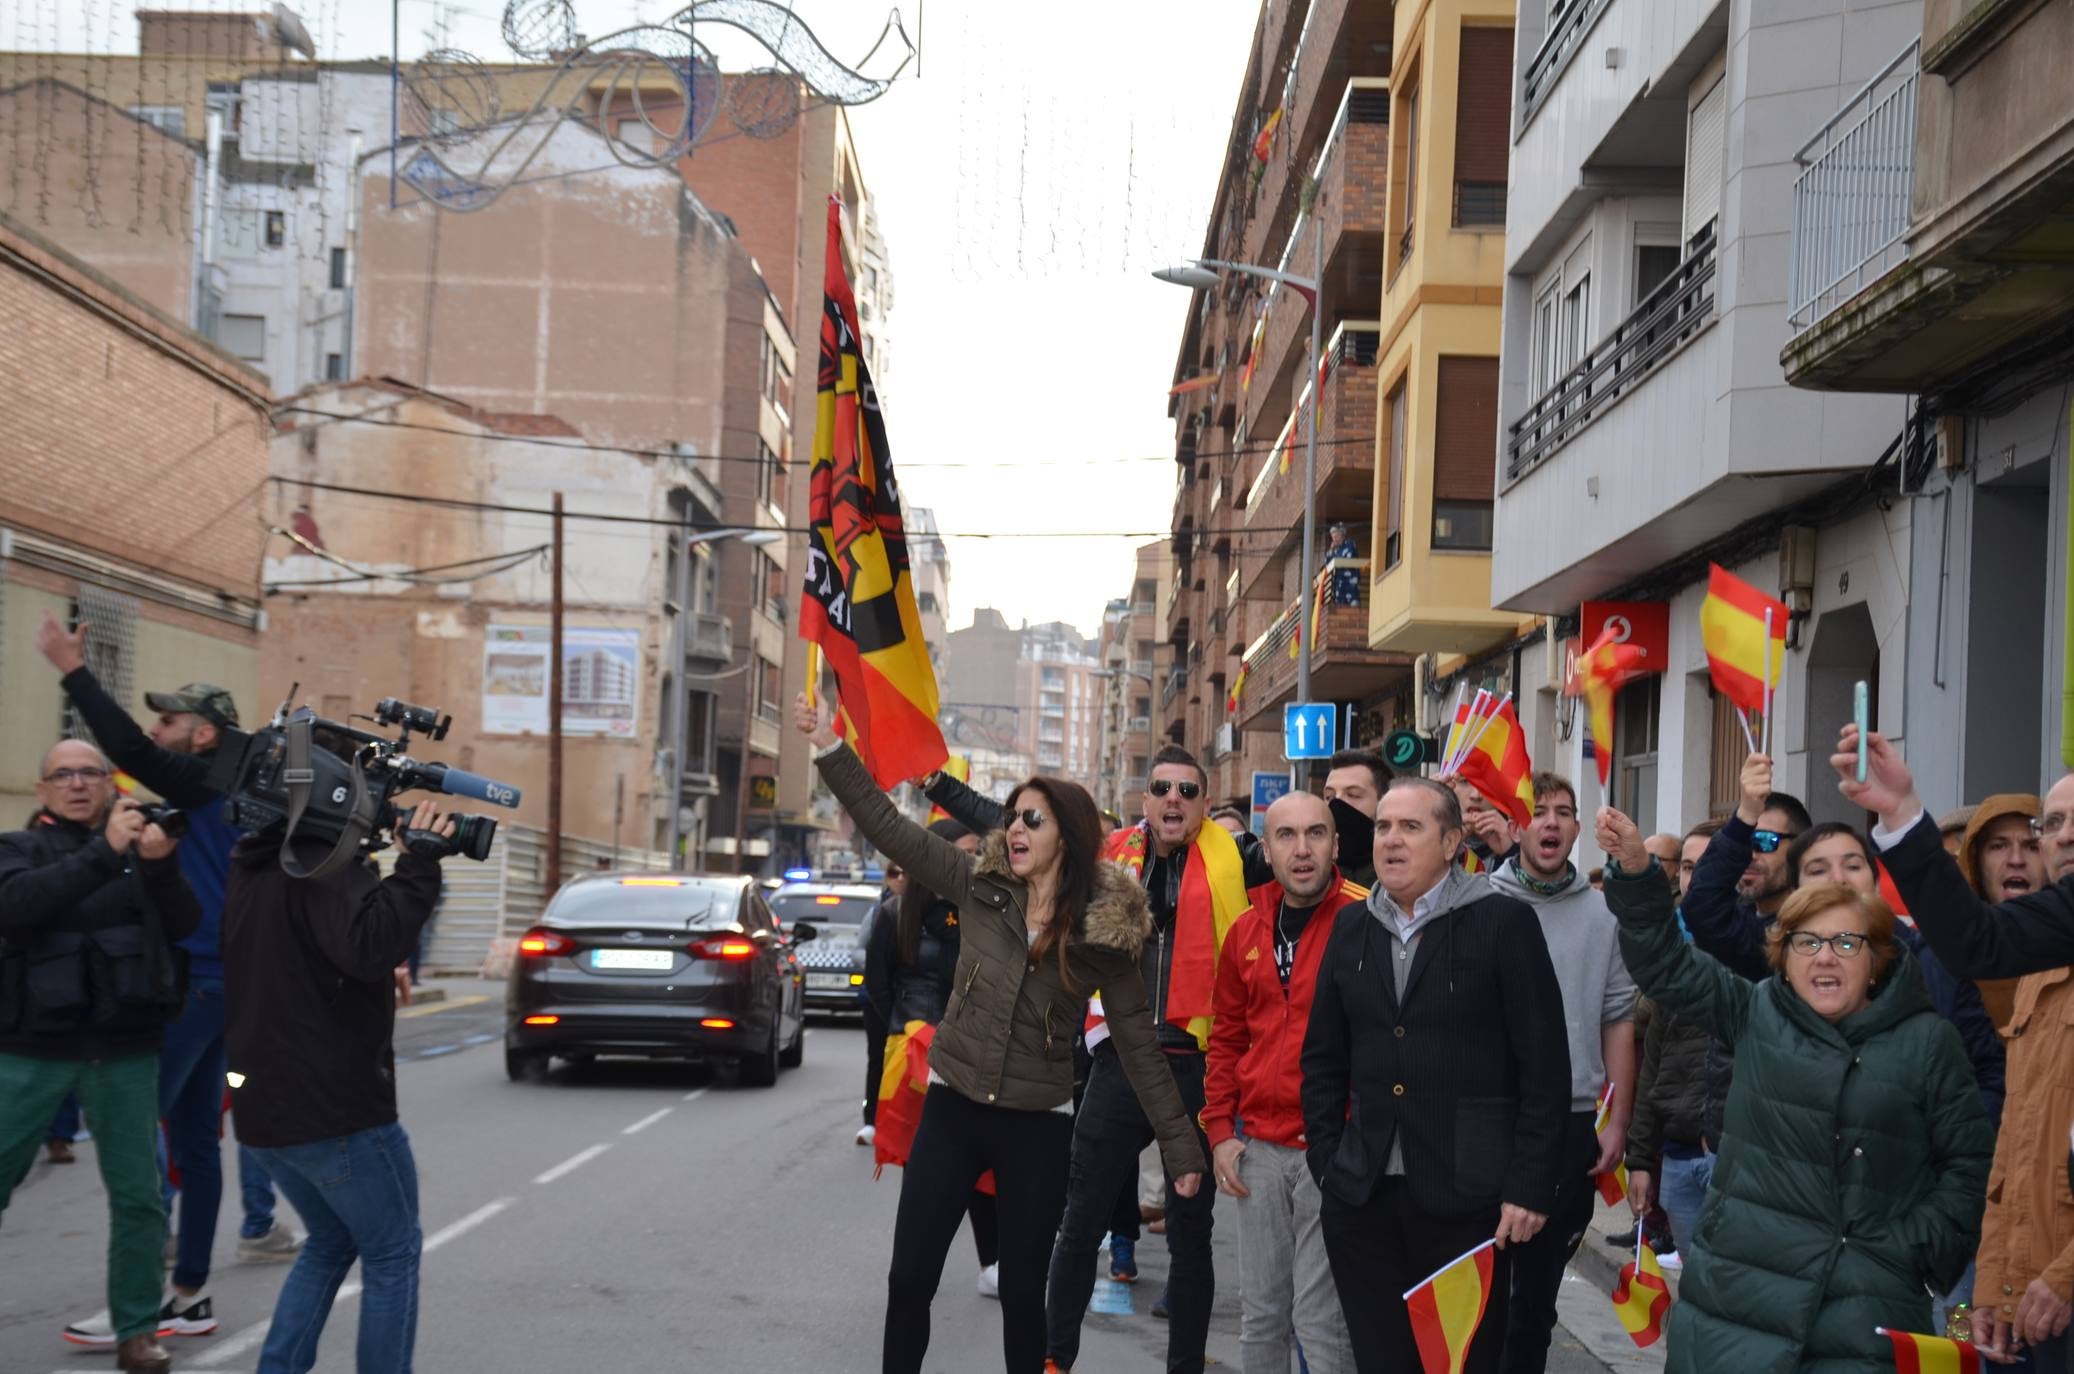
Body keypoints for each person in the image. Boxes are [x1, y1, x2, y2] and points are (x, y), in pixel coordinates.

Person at [796, 694, 1204, 1374]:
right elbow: (888, 827)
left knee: (1023, 1294)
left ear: (1066, 837)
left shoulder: (1105, 934)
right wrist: (829, 748)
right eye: (1012, 817)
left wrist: (1182, 1148)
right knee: (909, 1280)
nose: (1014, 830)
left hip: (1037, 1127)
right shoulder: (977, 885)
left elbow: (1138, 1043)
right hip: (952, 1111)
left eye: (1031, 821)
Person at [1596, 805, 1992, 1373]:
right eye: (1806, 943)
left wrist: (1914, 1252)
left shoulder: (1927, 1041)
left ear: (1877, 960)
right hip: (1736, 1302)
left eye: (1846, 943)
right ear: (1784, 955)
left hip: (1865, 1314)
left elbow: (1969, 1163)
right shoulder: (1756, 1010)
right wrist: (1636, 875)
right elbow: (1664, 964)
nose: (1825, 956)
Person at [39, 610, 303, 1345]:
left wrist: (71, 668)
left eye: (171, 723)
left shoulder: (200, 783)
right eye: (160, 725)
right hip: (230, 989)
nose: (157, 737)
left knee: (132, 1134)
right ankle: (188, 1294)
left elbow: (121, 744)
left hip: (192, 987)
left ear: (205, 734)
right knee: (194, 1140)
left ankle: (142, 1299)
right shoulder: (241, 797)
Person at [1301, 777, 1571, 1374]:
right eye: (1383, 827)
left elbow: (1545, 1067)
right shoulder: (1352, 928)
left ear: (1451, 843)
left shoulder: (1503, 923)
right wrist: (1328, 1160)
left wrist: (1528, 1184)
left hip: (1467, 1200)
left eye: (1411, 827)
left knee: (1461, 1364)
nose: (1391, 841)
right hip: (1364, 1197)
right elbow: (1323, 1059)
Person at [1833, 733, 2074, 1364]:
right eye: (2002, 846)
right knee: (1962, 1331)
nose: (2019, 858)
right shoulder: (2001, 968)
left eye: (2031, 840)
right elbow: (2018, 1150)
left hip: (2046, 1273)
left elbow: (1992, 1104)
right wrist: (1998, 1279)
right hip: (1996, 1258)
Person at [1048, 743, 1269, 1374]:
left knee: (1190, 1235)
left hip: (1196, 1069)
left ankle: (1184, 1368)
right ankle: (1053, 1358)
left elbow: (1309, 856)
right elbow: (1033, 846)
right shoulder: (1108, 861)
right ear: (1144, 801)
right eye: (1162, 789)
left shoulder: (1238, 861)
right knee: (1080, 1221)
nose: (1174, 799)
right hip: (1121, 1062)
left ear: (1203, 806)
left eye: (1187, 791)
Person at [223, 788, 456, 1374]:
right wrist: (420, 863)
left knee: (329, 1243)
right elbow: (370, 947)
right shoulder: (324, 867)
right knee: (394, 1253)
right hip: (335, 1111)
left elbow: (331, 954)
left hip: (267, 1112)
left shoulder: (257, 865)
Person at [0, 740, 200, 1374]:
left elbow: (184, 924)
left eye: (92, 773)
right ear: (44, 790)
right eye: (65, 774)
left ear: (109, 785)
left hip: (123, 1050)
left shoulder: (138, 854)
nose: (80, 784)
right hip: (31, 1050)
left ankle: (137, 1331)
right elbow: (19, 907)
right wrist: (105, 852)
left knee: (139, 1197)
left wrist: (161, 865)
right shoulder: (19, 849)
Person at [1486, 773, 1636, 1374]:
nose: (1550, 822)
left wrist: (1617, 1122)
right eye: (1538, 811)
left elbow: (1618, 1020)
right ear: (1518, 826)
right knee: (1484, 1288)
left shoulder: (1604, 916)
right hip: (1491, 1118)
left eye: (1563, 813)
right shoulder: (1478, 902)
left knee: (1536, 1299)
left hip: (1571, 1123)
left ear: (1578, 830)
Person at [1203, 792, 1358, 1374]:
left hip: (1333, 1150)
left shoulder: (1363, 920)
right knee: (1262, 1315)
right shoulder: (1244, 929)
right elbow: (1226, 1039)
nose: (1302, 849)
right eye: (1286, 836)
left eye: (1315, 834)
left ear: (1335, 845)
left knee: (1321, 1320)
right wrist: (1219, 1130)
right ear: (1264, 850)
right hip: (1259, 1150)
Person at [863, 820, 1003, 1297]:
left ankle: (993, 1262)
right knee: (924, 1166)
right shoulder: (894, 913)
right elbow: (879, 988)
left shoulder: (985, 910)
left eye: (976, 852)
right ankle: (913, 1264)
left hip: (970, 1052)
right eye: (964, 852)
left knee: (981, 1160)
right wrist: (908, 1030)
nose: (972, 861)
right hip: (915, 1056)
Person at [1623, 822, 1722, 1265]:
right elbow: (1652, 1067)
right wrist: (1639, 1161)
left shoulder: (1764, 953)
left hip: (1734, 1166)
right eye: (1686, 867)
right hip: (1679, 1160)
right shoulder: (1676, 956)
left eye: (1708, 866)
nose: (1693, 878)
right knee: (1697, 1295)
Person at [1952, 795, 2048, 1034]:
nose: (2016, 860)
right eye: (1998, 845)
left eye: (2032, 846)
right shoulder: (1945, 955)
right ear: (1975, 863)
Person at [857, 861, 910, 1148]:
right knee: (878, 1058)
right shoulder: (879, 910)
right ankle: (871, 1120)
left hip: (909, 1002)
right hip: (876, 1001)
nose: (899, 878)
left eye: (904, 872)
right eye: (894, 873)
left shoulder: (922, 909)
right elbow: (861, 947)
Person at [1323, 749, 1389, 888]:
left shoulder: (1400, 874)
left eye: (1353, 795)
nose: (1337, 803)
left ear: (1384, 802)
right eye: (1329, 797)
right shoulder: (1308, 867)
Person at [1450, 777, 1517, 874]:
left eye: (1488, 783)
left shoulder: (1525, 844)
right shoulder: (1430, 841)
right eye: (1465, 781)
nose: (1476, 795)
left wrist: (1511, 854)